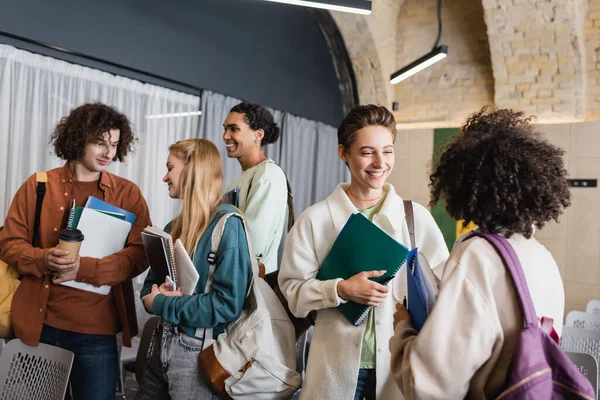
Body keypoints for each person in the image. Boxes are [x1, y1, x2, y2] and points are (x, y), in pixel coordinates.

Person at [390, 107, 570, 399]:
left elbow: (428, 387)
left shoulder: (478, 256)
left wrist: (403, 330)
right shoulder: (543, 257)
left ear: (464, 184)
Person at [278, 105, 449, 400]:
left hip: (397, 368)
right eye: (367, 152)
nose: (380, 162)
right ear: (343, 153)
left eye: (388, 151)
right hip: (334, 371)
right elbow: (293, 295)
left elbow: (443, 285)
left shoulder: (415, 218)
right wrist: (340, 289)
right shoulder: (315, 219)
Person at [0, 103, 151, 399]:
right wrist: (42, 258)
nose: (108, 153)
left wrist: (83, 268)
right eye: (99, 142)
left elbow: (139, 253)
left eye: (114, 144)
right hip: (38, 326)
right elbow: (8, 244)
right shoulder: (38, 186)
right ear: (77, 138)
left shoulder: (127, 193)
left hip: (96, 331)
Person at [136, 139, 253, 400]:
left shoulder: (228, 226)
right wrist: (156, 295)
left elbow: (226, 306)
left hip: (197, 356)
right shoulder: (170, 228)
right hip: (161, 344)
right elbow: (148, 288)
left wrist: (163, 304)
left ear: (192, 169)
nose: (165, 176)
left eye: (170, 168)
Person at [223, 101, 288, 274]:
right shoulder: (241, 179)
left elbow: (253, 243)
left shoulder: (268, 174)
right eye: (225, 129)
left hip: (250, 283)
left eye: (234, 129)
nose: (225, 135)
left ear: (258, 135)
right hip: (235, 278)